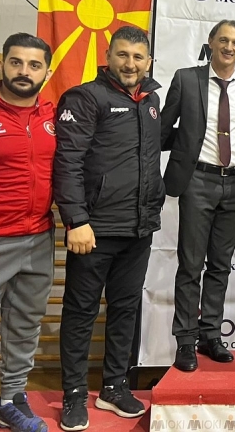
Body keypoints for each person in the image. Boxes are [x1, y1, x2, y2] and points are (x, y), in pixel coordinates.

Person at [54, 26, 165, 431]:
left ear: (148, 61)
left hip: (139, 228)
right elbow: (67, 162)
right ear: (108, 56)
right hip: (93, 230)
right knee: (80, 312)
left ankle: (114, 387)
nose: (130, 63)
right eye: (122, 55)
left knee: (125, 309)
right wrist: (76, 220)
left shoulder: (151, 100)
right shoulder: (85, 97)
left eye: (137, 57)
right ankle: (73, 394)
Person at [161, 20, 235, 372]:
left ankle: (211, 335)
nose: (229, 47)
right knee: (190, 266)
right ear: (211, 42)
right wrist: (185, 145)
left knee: (220, 265)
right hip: (197, 181)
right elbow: (163, 128)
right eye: (223, 40)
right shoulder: (186, 79)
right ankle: (185, 341)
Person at [0, 34, 55, 432]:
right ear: (2, 65)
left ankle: (9, 401)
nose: (24, 71)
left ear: (46, 72)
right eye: (16, 62)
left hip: (38, 238)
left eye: (34, 65)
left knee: (24, 327)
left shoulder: (53, 116)